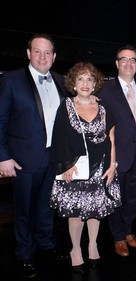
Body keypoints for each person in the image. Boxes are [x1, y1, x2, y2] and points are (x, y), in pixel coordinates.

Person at [0, 33, 70, 279]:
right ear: (28, 53)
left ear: (54, 56)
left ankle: (46, 245)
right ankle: (24, 254)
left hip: (53, 158)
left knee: (46, 207)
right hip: (23, 159)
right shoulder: (11, 80)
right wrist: (3, 157)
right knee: (24, 211)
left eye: (47, 52)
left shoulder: (62, 81)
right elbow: (1, 119)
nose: (43, 56)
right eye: (37, 51)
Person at [49, 62, 122, 273]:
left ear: (95, 83)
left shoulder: (103, 106)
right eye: (80, 79)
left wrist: (113, 165)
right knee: (76, 212)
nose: (85, 83)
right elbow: (59, 138)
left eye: (90, 79)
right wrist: (65, 166)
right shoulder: (66, 106)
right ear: (73, 82)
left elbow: (111, 137)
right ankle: (75, 250)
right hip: (76, 167)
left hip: (101, 167)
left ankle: (92, 245)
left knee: (95, 210)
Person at [96, 45, 136, 257]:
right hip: (116, 157)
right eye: (124, 59)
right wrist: (108, 159)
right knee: (115, 198)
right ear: (117, 63)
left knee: (133, 198)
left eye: (133, 60)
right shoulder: (104, 91)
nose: (129, 63)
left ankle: (128, 231)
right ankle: (118, 237)